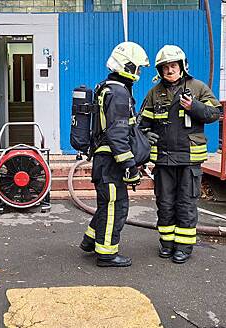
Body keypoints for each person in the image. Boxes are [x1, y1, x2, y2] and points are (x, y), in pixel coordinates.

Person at [140, 45, 221, 264]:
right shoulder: (154, 93)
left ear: (182, 66)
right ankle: (167, 244)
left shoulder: (197, 87)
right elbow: (142, 123)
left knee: (186, 203)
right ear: (160, 70)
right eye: (165, 67)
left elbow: (215, 113)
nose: (169, 70)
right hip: (164, 159)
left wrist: (194, 107)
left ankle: (183, 247)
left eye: (173, 66)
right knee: (165, 203)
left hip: (189, 159)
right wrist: (146, 135)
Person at [79, 42, 149, 267]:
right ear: (127, 66)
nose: (138, 73)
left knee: (106, 204)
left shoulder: (106, 87)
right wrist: (129, 165)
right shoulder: (119, 92)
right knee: (116, 207)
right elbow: (118, 134)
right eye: (137, 68)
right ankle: (107, 254)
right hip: (111, 162)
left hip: (104, 160)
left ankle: (90, 241)